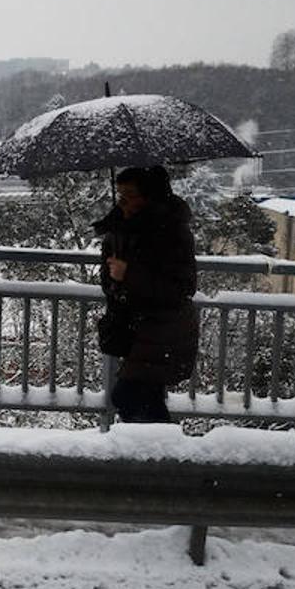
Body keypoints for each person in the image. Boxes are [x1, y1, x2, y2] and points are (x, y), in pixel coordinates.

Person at [93, 165, 199, 423]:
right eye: (120, 194)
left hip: (163, 329)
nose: (123, 201)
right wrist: (116, 277)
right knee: (145, 398)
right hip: (137, 329)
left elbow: (181, 288)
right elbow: (110, 281)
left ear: (149, 197)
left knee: (128, 395)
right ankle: (156, 455)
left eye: (129, 194)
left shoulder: (171, 232)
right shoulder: (118, 229)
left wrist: (129, 274)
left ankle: (155, 456)